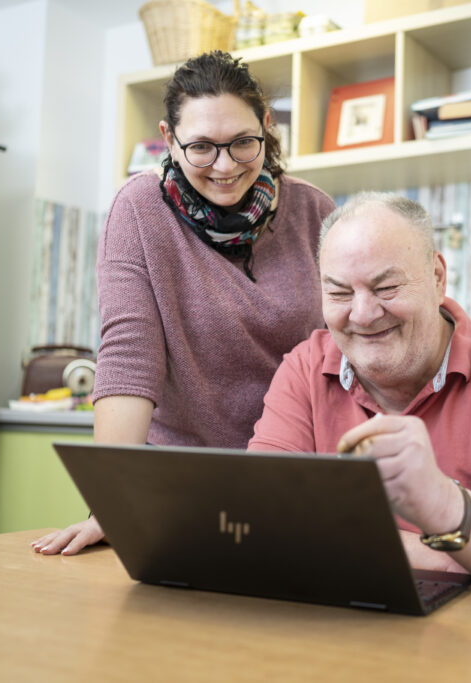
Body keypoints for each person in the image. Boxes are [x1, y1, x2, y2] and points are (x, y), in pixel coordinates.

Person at [33, 51, 335, 556]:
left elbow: (342, 351)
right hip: (178, 479)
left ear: (266, 127)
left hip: (295, 471)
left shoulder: (315, 211)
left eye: (243, 142)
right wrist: (112, 502)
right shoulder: (139, 209)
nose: (225, 166)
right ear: (169, 139)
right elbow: (129, 357)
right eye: (201, 147)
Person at [248, 192, 471, 586]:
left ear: (437, 278)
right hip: (358, 613)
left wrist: (439, 501)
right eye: (339, 293)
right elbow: (258, 521)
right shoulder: (304, 367)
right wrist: (460, 559)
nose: (362, 315)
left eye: (386, 287)